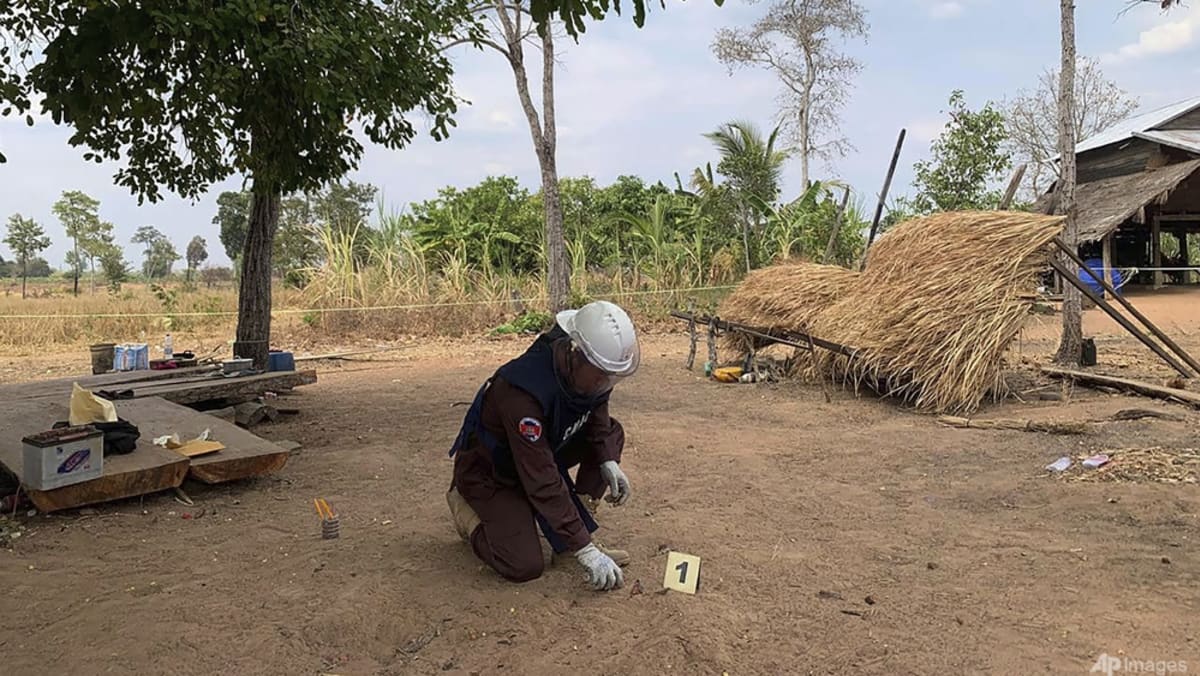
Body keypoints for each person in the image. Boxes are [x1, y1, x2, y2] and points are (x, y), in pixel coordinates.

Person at [446, 300, 640, 591]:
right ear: (576, 353)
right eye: (601, 374)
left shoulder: (588, 374)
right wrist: (586, 550)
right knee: (523, 564)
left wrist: (607, 459)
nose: (606, 382)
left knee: (610, 435)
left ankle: (568, 544)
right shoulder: (522, 391)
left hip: (538, 453)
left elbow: (598, 407)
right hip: (493, 473)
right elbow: (542, 478)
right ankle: (466, 510)